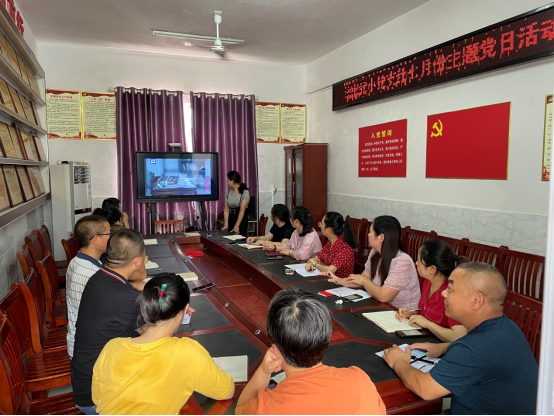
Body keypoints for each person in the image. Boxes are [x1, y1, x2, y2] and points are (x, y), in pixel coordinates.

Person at [382, 262, 539, 416]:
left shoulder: (474, 348)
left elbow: (425, 389)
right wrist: (443, 347)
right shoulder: (507, 327)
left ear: (476, 300)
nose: (443, 293)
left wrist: (399, 361)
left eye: (450, 289)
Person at [92, 273, 235, 415]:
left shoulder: (112, 346)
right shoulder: (188, 353)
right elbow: (226, 391)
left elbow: (97, 400)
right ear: (185, 309)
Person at [235, 288, 386, 415]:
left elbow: (240, 409)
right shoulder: (360, 380)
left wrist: (263, 371)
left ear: (275, 347)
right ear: (327, 337)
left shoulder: (266, 407)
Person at [71, 229, 150, 415]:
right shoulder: (126, 298)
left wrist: (135, 285)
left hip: (85, 379)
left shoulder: (98, 277)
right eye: (144, 256)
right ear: (137, 261)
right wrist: (176, 308)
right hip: (98, 396)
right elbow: (153, 335)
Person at [327, 216, 420, 309]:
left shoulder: (402, 262)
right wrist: (340, 281)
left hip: (401, 313)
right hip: (379, 305)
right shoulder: (375, 252)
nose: (368, 235)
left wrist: (364, 281)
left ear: (381, 237)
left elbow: (383, 296)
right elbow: (362, 278)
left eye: (370, 232)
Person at [395, 239, 468, 342]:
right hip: (423, 337)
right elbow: (427, 313)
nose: (416, 263)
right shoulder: (428, 282)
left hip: (441, 345)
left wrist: (427, 324)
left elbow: (458, 336)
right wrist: (412, 313)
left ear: (432, 269)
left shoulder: (452, 293)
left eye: (419, 260)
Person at [66, 215, 111, 359]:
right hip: (87, 350)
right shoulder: (90, 274)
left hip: (81, 339)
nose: (111, 238)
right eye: (109, 234)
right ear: (96, 240)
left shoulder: (77, 261)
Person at [305, 212, 356, 278]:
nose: (320, 226)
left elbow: (330, 270)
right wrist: (311, 263)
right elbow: (319, 257)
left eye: (322, 224)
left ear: (329, 230)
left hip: (341, 283)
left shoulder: (345, 248)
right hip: (329, 279)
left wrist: (315, 264)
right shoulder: (330, 241)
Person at [222, 171, 250, 235]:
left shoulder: (245, 192)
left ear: (232, 181)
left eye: (227, 180)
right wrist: (226, 225)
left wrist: (237, 226)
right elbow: (226, 209)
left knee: (240, 238)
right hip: (231, 218)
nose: (226, 182)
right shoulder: (227, 192)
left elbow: (242, 210)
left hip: (241, 220)